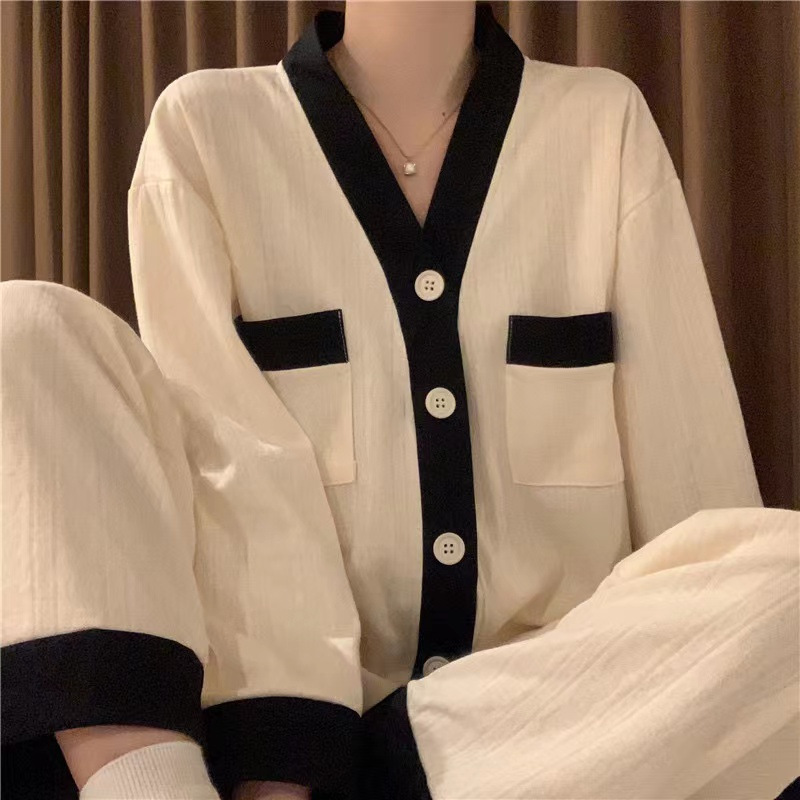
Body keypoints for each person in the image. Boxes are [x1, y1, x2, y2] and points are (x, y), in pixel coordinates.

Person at [1, 2, 798, 799]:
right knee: (25, 326)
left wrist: (721, 657)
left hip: (531, 735)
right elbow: (237, 477)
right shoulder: (208, 128)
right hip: (303, 732)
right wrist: (282, 772)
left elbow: (699, 510)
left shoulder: (602, 123)